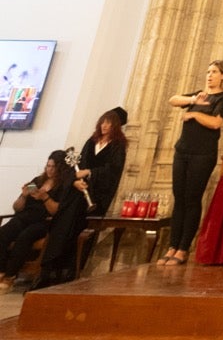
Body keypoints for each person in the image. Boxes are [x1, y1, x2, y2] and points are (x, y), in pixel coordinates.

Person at [32, 107, 129, 287]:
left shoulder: (117, 147)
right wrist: (75, 182)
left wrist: (90, 172)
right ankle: (48, 270)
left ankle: (67, 272)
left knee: (77, 225)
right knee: (63, 222)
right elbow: (75, 168)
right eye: (103, 121)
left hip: (95, 197)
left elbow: (112, 172)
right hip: (77, 193)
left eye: (109, 122)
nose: (104, 126)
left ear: (116, 126)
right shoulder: (90, 142)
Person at [158, 59, 223, 265]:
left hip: (202, 154)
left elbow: (216, 123)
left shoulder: (222, 98)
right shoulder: (199, 95)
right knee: (178, 198)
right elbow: (173, 99)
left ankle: (183, 249)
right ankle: (172, 246)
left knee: (192, 199)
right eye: (208, 71)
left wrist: (195, 114)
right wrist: (192, 101)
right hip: (183, 151)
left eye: (215, 72)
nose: (210, 75)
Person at [0, 150, 77, 291]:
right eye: (48, 166)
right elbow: (17, 207)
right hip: (25, 216)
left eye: (53, 167)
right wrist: (23, 196)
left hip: (43, 221)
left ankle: (10, 276)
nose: (50, 170)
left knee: (25, 236)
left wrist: (44, 197)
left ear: (61, 168)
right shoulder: (36, 181)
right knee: (4, 232)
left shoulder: (63, 186)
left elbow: (56, 211)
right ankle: (1, 270)